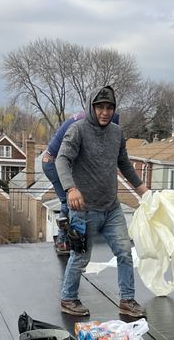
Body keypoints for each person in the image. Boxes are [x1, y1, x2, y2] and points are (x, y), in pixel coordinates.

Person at [56, 85, 147, 318]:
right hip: (83, 209)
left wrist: (142, 189)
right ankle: (68, 299)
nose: (105, 112)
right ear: (91, 107)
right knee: (80, 257)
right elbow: (62, 160)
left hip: (111, 208)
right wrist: (71, 188)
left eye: (109, 107)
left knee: (125, 252)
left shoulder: (117, 133)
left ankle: (127, 300)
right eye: (100, 107)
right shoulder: (77, 130)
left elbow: (124, 163)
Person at [42, 108, 119, 254]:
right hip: (52, 162)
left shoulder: (88, 117)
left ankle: (67, 238)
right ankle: (62, 241)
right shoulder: (82, 124)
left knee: (74, 198)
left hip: (52, 160)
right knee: (68, 200)